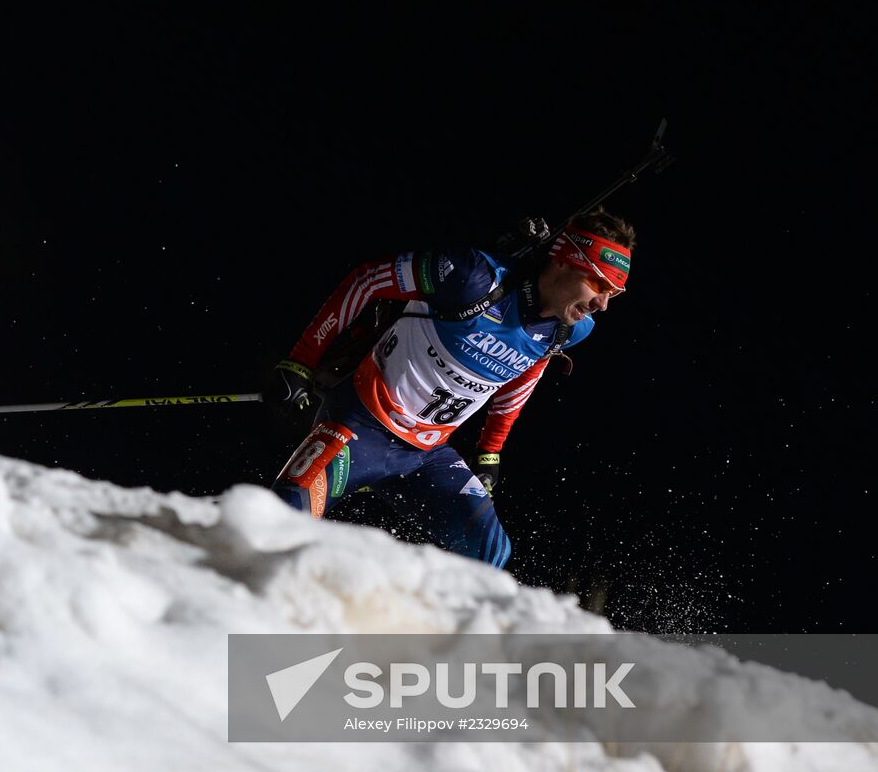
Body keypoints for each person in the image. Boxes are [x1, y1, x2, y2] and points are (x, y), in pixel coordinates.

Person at [262, 206, 637, 569]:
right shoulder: (470, 276)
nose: (602, 303)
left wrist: (490, 453)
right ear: (562, 261)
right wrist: (300, 362)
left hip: (426, 456)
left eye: (614, 292)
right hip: (359, 427)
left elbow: (522, 377)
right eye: (598, 283)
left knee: (491, 552)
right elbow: (368, 280)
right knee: (283, 516)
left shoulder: (569, 330)